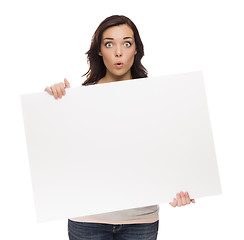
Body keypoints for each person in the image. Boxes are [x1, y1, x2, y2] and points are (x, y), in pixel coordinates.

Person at [44, 15, 195, 240]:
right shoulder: (77, 100)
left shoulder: (160, 98)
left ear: (136, 49)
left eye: (126, 43)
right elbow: (59, 156)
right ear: (98, 50)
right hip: (87, 219)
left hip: (140, 220)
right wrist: (52, 102)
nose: (118, 52)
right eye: (109, 44)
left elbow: (173, 153)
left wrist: (185, 187)